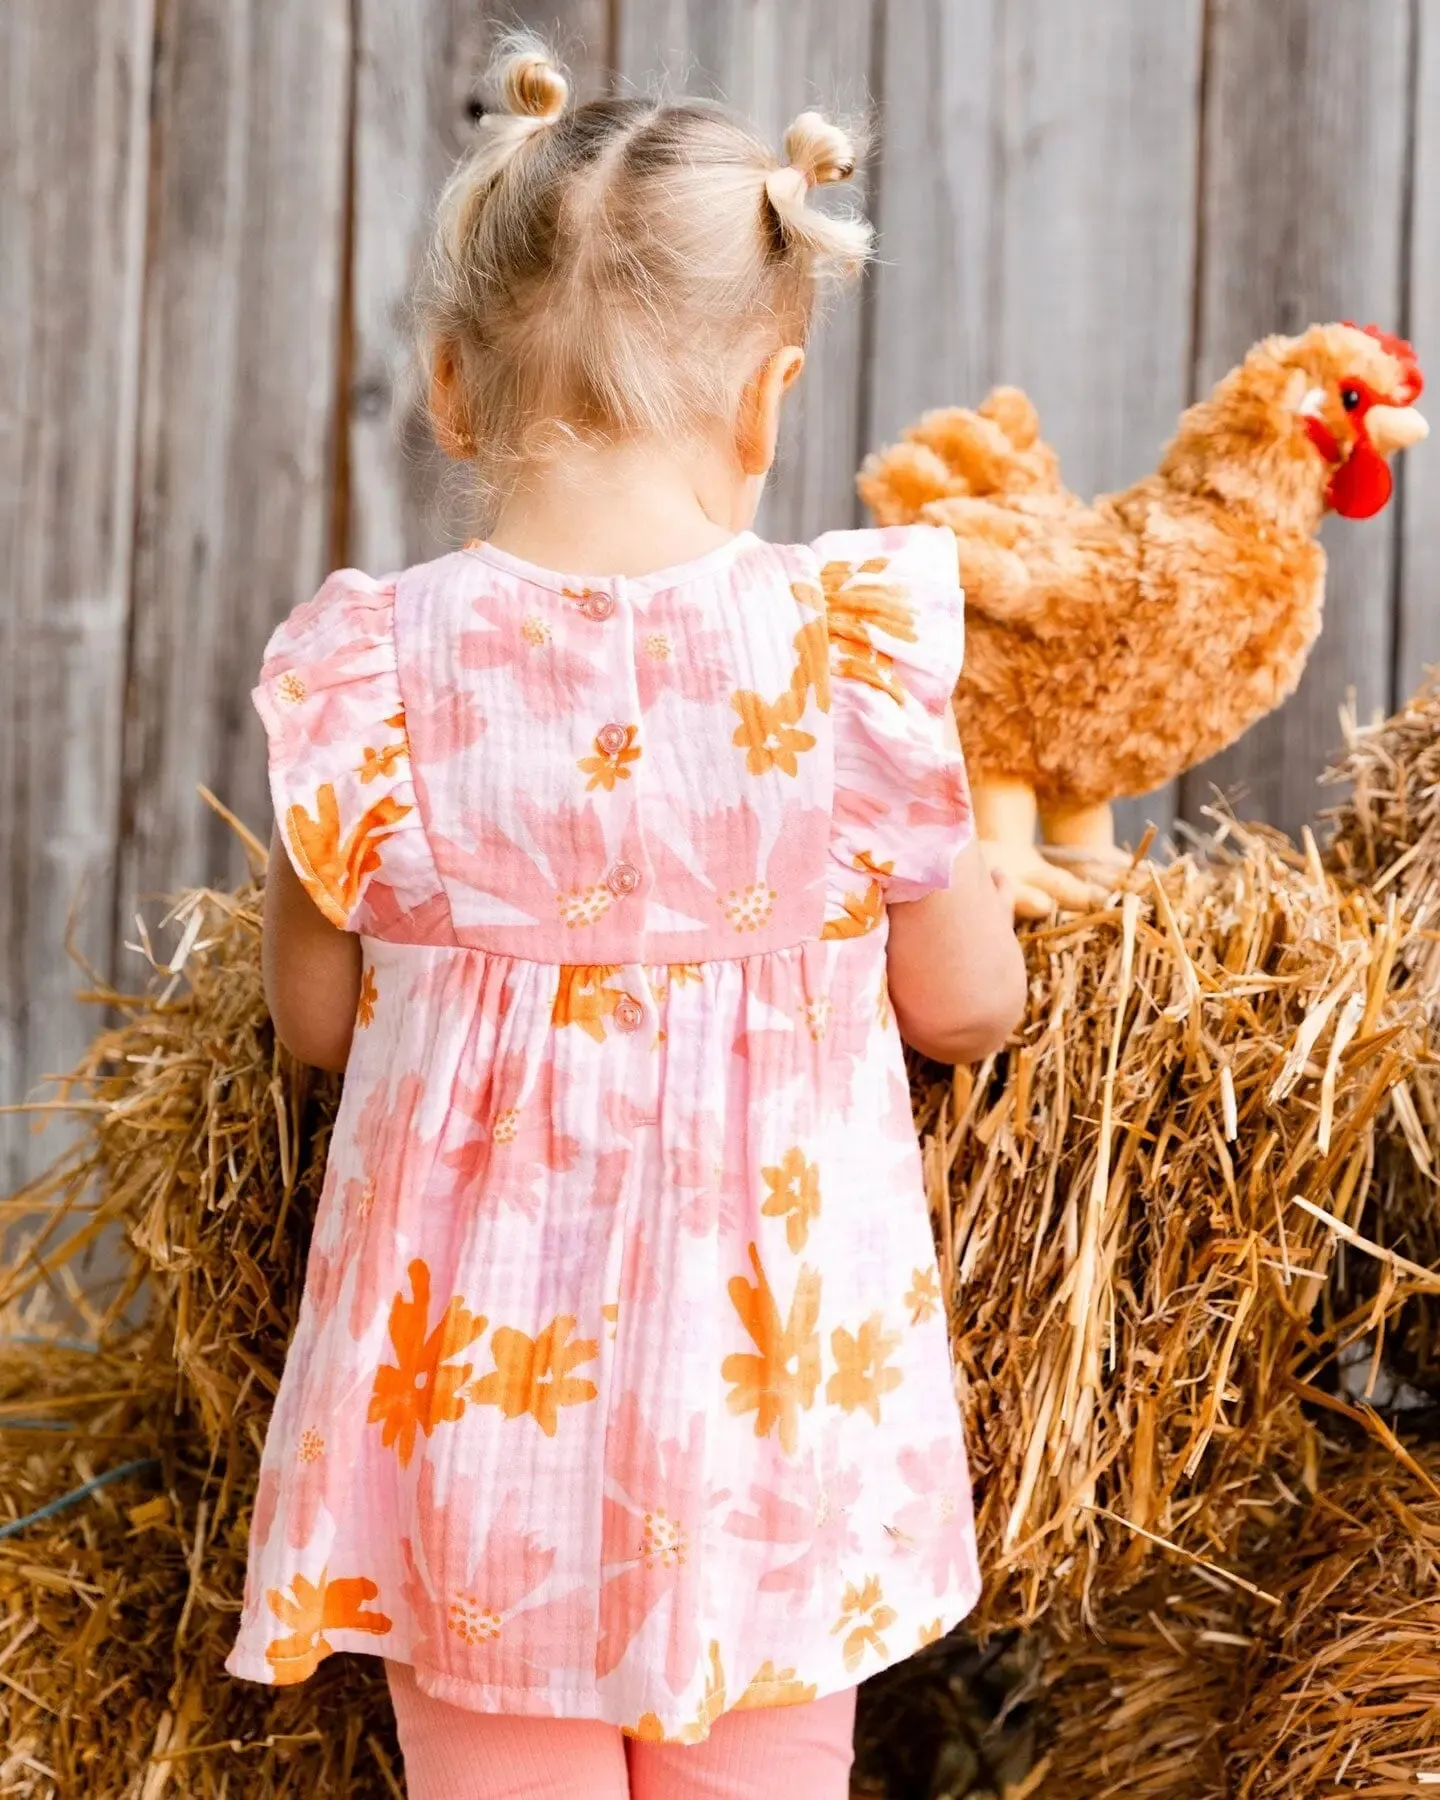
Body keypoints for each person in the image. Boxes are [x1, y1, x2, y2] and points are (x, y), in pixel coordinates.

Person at [225, 35, 1026, 1800]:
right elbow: (968, 1007)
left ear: (448, 385)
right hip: (767, 1420)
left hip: (470, 1443)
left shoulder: (365, 671)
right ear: (768, 400)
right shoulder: (857, 664)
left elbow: (309, 1024)